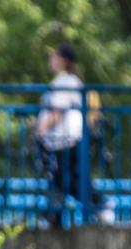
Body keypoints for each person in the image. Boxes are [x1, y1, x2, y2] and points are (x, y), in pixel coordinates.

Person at [35, 42, 95, 226]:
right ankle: (54, 215)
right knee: (61, 178)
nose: (51, 60)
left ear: (63, 60)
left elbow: (57, 111)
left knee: (68, 178)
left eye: (54, 56)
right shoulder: (64, 81)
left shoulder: (66, 82)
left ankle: (100, 205)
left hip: (65, 140)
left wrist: (41, 129)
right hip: (61, 140)